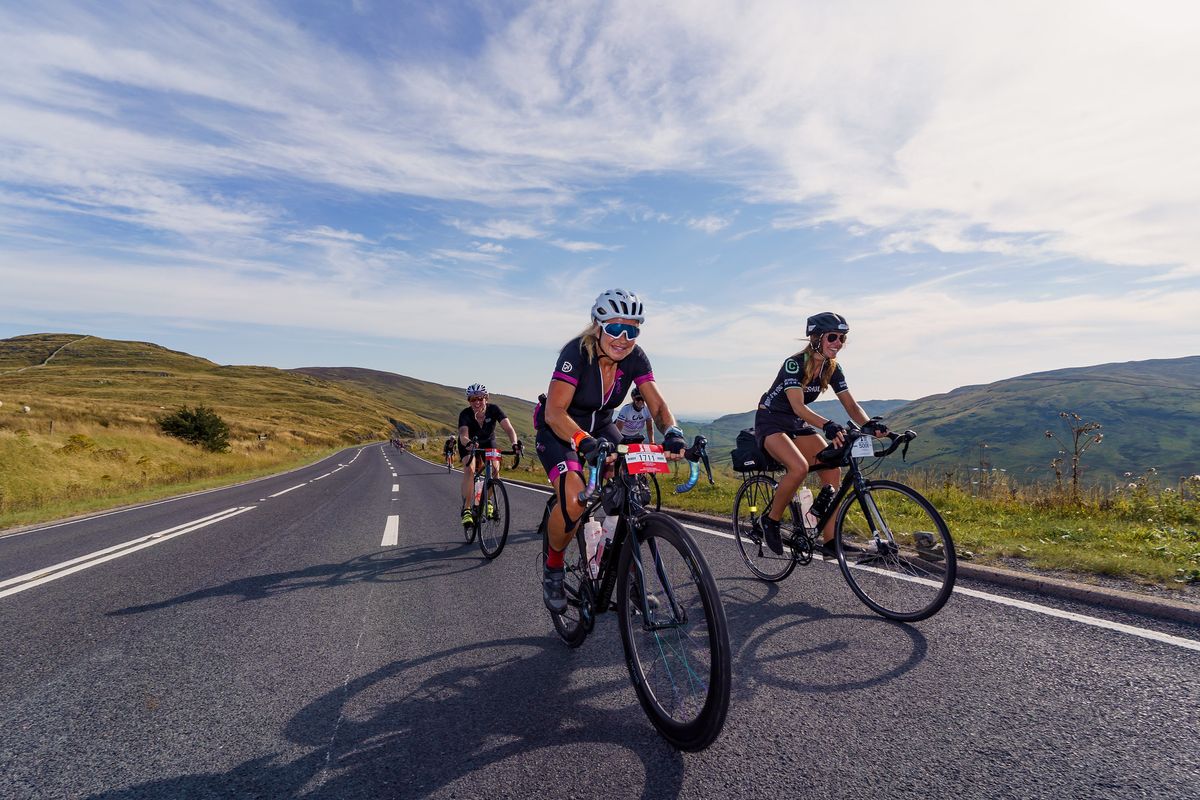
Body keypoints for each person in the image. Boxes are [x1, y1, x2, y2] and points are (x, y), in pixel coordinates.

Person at [536, 288, 687, 612]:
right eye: (615, 327)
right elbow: (555, 412)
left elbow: (657, 405)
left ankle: (627, 575)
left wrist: (673, 432)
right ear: (597, 325)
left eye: (631, 330)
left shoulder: (635, 357)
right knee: (575, 501)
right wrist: (582, 442)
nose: (622, 337)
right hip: (560, 431)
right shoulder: (576, 353)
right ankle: (554, 567)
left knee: (631, 493)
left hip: (602, 428)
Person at [754, 312, 891, 557]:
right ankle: (771, 521)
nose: (838, 343)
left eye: (842, 338)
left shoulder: (832, 368)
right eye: (833, 337)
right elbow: (798, 406)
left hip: (795, 422)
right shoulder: (794, 364)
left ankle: (830, 542)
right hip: (771, 420)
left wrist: (871, 425)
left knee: (832, 469)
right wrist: (827, 425)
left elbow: (851, 405)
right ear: (816, 338)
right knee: (798, 468)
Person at [458, 384, 521, 527]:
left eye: (479, 398)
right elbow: (463, 435)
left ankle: (488, 501)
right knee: (470, 469)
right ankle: (467, 509)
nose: (476, 402)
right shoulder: (465, 414)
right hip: (469, 443)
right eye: (472, 399)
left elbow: (509, 428)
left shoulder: (494, 410)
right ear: (469, 401)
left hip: (488, 442)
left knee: (495, 470)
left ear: (486, 398)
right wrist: (469, 444)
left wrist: (514, 444)